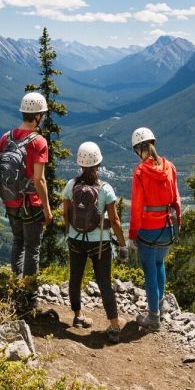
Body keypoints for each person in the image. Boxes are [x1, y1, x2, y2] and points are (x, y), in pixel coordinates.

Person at [62, 142, 128, 344]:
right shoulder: (105, 189)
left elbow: (66, 212)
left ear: (80, 163)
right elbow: (115, 220)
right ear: (98, 163)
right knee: (104, 283)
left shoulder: (71, 185)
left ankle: (78, 316)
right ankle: (115, 326)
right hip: (99, 243)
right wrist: (123, 245)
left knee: (75, 278)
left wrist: (69, 231)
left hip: (75, 240)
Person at [0, 92, 53, 313]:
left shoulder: (6, 138)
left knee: (18, 243)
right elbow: (39, 179)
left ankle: (16, 288)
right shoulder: (38, 141)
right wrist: (47, 209)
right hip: (31, 203)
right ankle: (29, 297)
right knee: (33, 248)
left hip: (11, 202)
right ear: (38, 115)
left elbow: (1, 170)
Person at [129, 127, 181, 332]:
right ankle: (158, 308)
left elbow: (137, 206)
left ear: (140, 149)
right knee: (159, 264)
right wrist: (178, 224)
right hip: (167, 227)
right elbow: (176, 199)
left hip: (149, 228)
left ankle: (153, 318)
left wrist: (133, 233)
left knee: (150, 270)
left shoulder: (141, 172)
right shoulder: (170, 167)